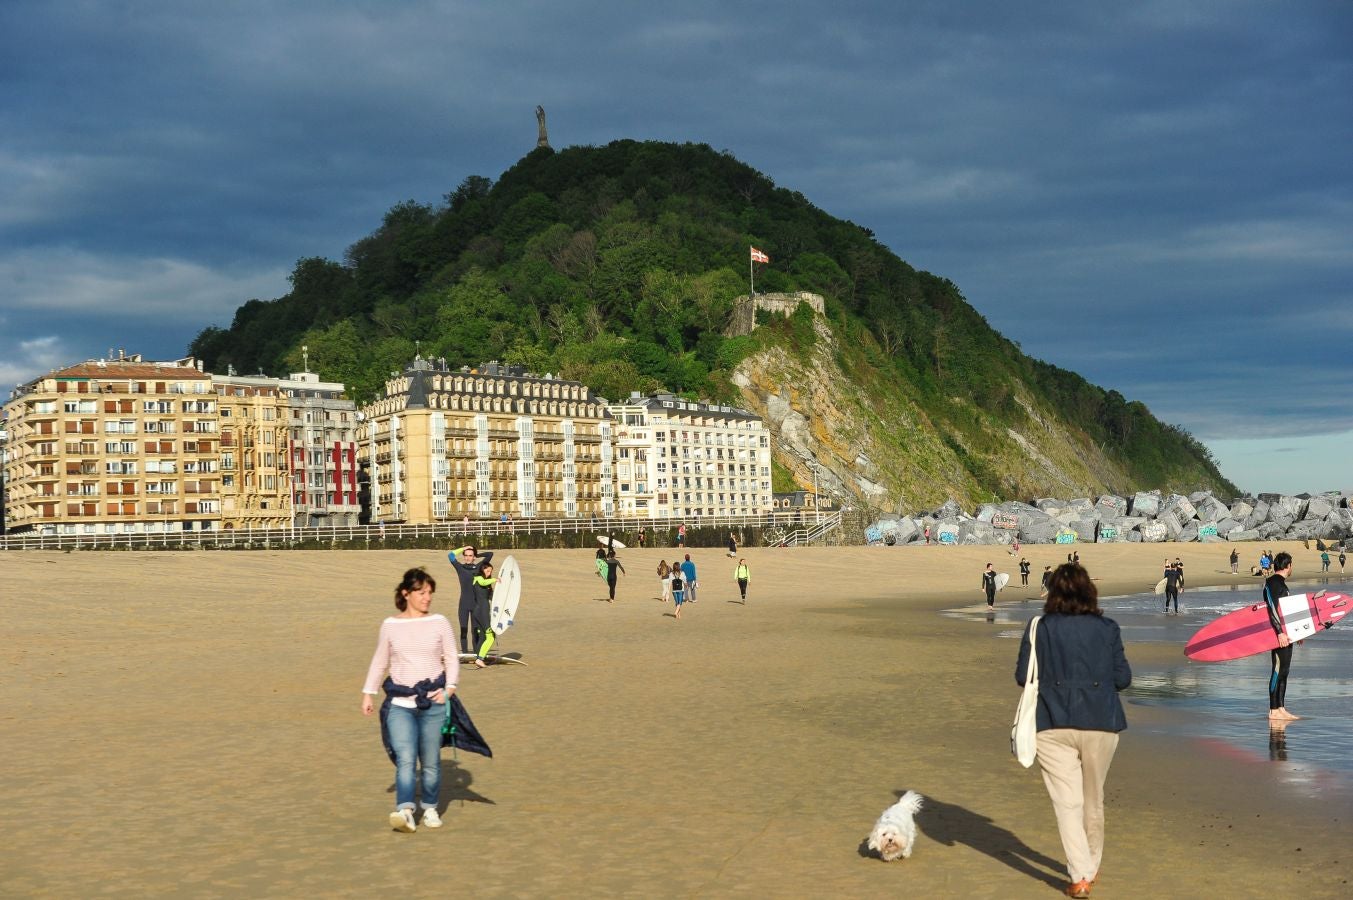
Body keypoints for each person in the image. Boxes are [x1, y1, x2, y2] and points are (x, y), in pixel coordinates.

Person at [1015, 563, 1131, 899]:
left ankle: (1080, 875)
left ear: (1052, 593)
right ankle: (1089, 869)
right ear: (1089, 592)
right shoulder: (1107, 628)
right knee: (1093, 801)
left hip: (1051, 721)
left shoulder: (1039, 627)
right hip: (1101, 720)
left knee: (1067, 803)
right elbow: (1123, 679)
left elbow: (1024, 676)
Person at [361, 567, 459, 833]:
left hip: (433, 703)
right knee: (406, 758)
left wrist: (449, 690)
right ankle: (405, 811)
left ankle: (429, 808)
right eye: (421, 592)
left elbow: (451, 657)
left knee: (430, 761)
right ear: (406, 593)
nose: (427, 597)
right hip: (400, 704)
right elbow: (380, 661)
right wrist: (368, 692)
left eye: (430, 593)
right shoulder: (390, 625)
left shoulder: (439, 622)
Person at [1263, 552, 1299, 721]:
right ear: (1288, 566)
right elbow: (1272, 609)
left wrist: (1298, 632)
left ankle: (1281, 708)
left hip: (1287, 634)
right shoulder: (1272, 583)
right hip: (1278, 635)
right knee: (1277, 670)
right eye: (1291, 565)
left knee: (1284, 671)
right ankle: (1273, 710)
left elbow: (1287, 611)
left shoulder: (1281, 584)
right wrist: (1279, 632)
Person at [448, 545, 493, 654]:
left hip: (475, 605)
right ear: (464, 556)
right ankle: (464, 654)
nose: (468, 557)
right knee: (463, 630)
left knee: (475, 631)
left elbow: (490, 554)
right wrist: (463, 548)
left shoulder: (478, 567)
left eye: (471, 555)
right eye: (466, 555)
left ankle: (476, 654)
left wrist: (478, 554)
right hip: (463, 604)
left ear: (474, 557)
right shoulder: (460, 568)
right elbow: (451, 555)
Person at [470, 563, 497, 668]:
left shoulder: (487, 584)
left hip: (481, 611)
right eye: (487, 571)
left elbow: (492, 597)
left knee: (482, 637)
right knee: (491, 636)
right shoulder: (477, 578)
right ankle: (480, 659)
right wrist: (495, 580)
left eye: (491, 571)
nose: (489, 573)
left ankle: (479, 657)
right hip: (482, 612)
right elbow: (482, 582)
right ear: (482, 569)